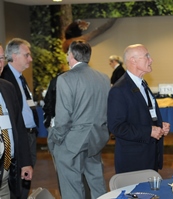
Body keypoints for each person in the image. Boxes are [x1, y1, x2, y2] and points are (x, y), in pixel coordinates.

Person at [47, 40, 110, 198]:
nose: (67, 57)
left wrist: (56, 138)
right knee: (97, 184)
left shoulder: (65, 79)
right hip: (96, 138)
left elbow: (63, 116)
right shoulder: (103, 78)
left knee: (71, 187)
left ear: (72, 55)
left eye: (68, 53)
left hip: (73, 140)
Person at [107, 44, 170, 174]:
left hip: (149, 157)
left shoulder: (142, 84)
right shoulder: (119, 90)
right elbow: (116, 127)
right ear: (133, 61)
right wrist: (149, 131)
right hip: (134, 162)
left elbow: (144, 115)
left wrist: (158, 125)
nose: (151, 60)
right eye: (146, 56)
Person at [1, 38, 38, 199]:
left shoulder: (6, 87)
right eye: (26, 55)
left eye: (1, 58)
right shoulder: (10, 80)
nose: (0, 63)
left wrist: (24, 161)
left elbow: (17, 124)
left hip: (9, 169)